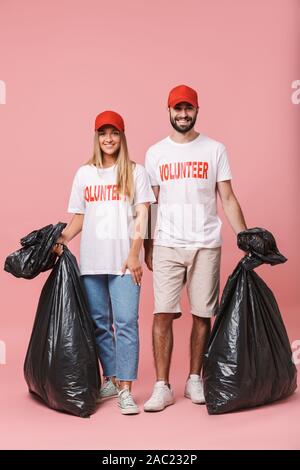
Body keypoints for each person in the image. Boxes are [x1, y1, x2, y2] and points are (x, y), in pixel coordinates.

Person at [143, 85, 247, 412]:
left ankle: (194, 379)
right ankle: (161, 386)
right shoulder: (155, 152)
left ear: (197, 110)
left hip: (205, 244)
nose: (183, 114)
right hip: (168, 243)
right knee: (162, 314)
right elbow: (151, 202)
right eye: (178, 109)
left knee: (203, 314)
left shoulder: (215, 149)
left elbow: (227, 197)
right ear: (169, 111)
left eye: (188, 108)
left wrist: (245, 236)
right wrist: (147, 244)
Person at [53, 110, 156, 415]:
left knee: (125, 323)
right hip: (92, 263)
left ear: (122, 137)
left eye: (114, 133)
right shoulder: (85, 173)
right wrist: (61, 240)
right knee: (99, 324)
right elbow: (79, 217)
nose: (108, 138)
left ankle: (125, 388)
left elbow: (143, 214)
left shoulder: (135, 172)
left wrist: (135, 253)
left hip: (124, 262)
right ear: (96, 137)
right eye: (103, 133)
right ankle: (110, 379)